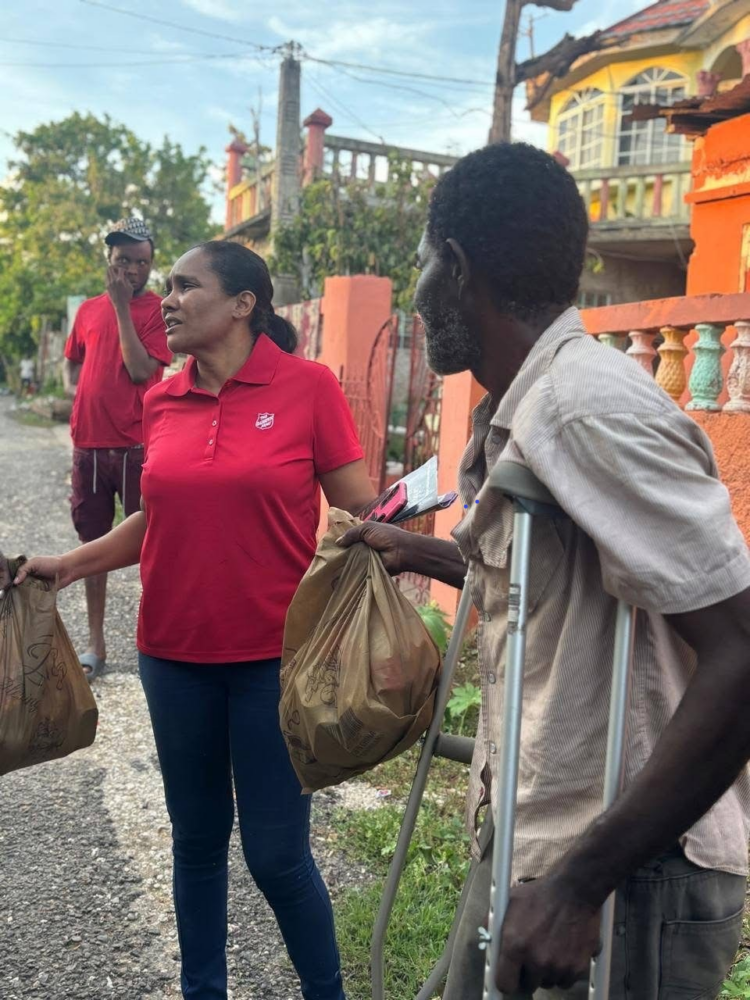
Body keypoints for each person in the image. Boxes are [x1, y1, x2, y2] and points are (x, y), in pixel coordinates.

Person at [342, 143, 750, 999]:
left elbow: (743, 653)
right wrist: (415, 551)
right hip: (545, 850)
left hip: (628, 873)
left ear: (454, 268)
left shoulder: (583, 407)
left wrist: (579, 886)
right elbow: (565, 586)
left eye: (420, 263)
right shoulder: (529, 405)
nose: (415, 295)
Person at [2, 240, 376, 1000]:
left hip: (273, 659)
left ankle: (326, 994)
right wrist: (66, 565)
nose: (166, 300)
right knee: (197, 841)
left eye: (184, 286)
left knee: (277, 855)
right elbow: (155, 516)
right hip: (172, 659)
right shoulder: (160, 400)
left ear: (243, 303)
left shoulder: (306, 389)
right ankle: (203, 991)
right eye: (164, 286)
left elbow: (364, 513)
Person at [63, 217, 171, 681]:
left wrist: (123, 308)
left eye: (139, 262)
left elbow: (136, 368)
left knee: (154, 542)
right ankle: (96, 643)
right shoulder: (87, 310)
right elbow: (73, 363)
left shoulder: (158, 310)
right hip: (89, 445)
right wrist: (80, 398)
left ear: (150, 266)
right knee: (93, 544)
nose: (130, 269)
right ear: (109, 260)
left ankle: (159, 640)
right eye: (122, 259)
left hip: (136, 444)